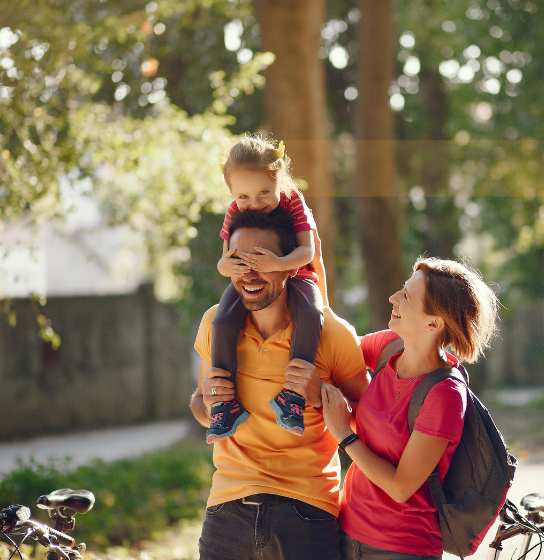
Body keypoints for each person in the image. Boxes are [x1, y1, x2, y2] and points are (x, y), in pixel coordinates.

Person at [190, 208, 368, 560]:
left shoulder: (332, 334)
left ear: (290, 265)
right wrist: (208, 403)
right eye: (239, 260)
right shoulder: (215, 323)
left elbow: (372, 418)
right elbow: (198, 405)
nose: (249, 273)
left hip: (306, 509)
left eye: (262, 261)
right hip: (227, 509)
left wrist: (322, 398)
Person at [321, 258, 499, 560]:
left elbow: (401, 487)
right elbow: (337, 349)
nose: (394, 299)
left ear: (433, 323)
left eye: (406, 296)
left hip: (401, 548)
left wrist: (344, 433)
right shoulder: (389, 347)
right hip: (345, 531)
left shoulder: (445, 394)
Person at [208, 135, 329, 443]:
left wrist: (278, 264)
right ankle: (225, 403)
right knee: (220, 322)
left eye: (264, 192)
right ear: (233, 193)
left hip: (294, 274)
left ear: (279, 180)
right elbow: (222, 262)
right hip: (248, 279)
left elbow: (309, 252)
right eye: (244, 196)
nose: (255, 204)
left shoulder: (292, 201)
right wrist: (231, 268)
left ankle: (292, 396)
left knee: (310, 314)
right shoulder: (235, 211)